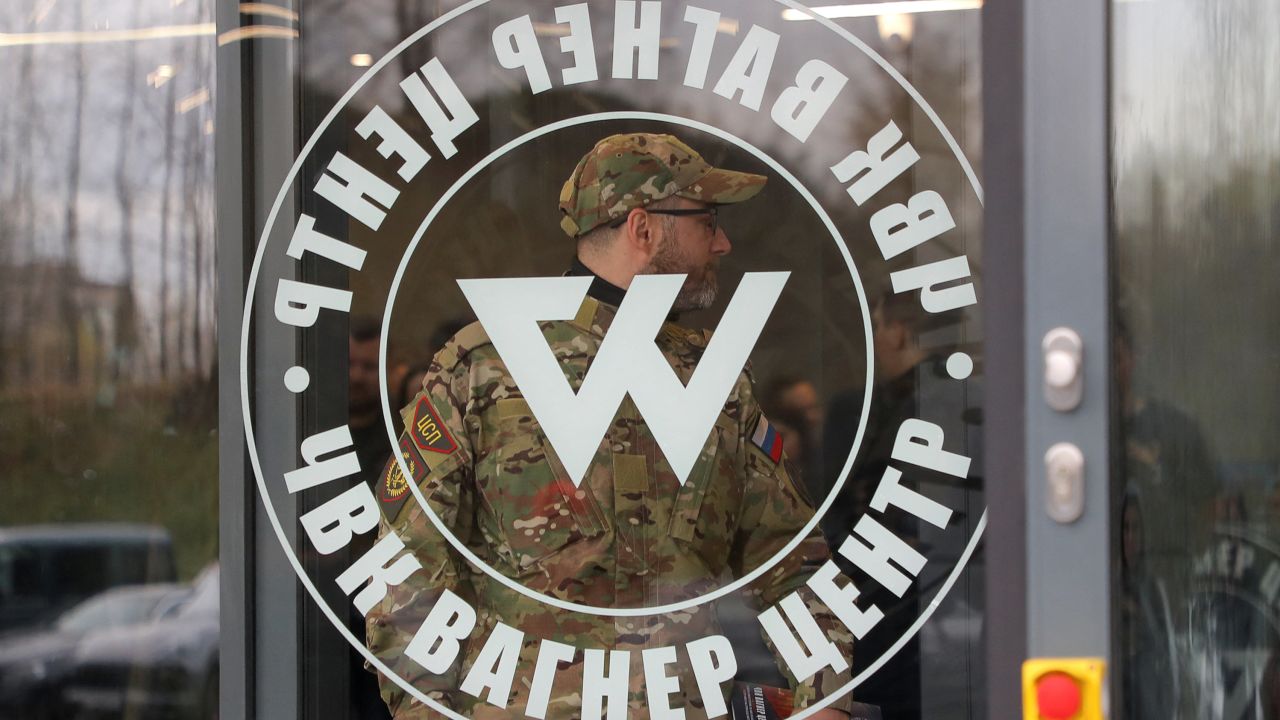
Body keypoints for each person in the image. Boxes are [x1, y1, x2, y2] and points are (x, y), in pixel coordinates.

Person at [366, 133, 854, 719]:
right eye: (707, 220)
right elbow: (406, 575)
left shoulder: (716, 381)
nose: (722, 243)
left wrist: (827, 700)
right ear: (644, 229)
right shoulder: (482, 370)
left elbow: (791, 563)